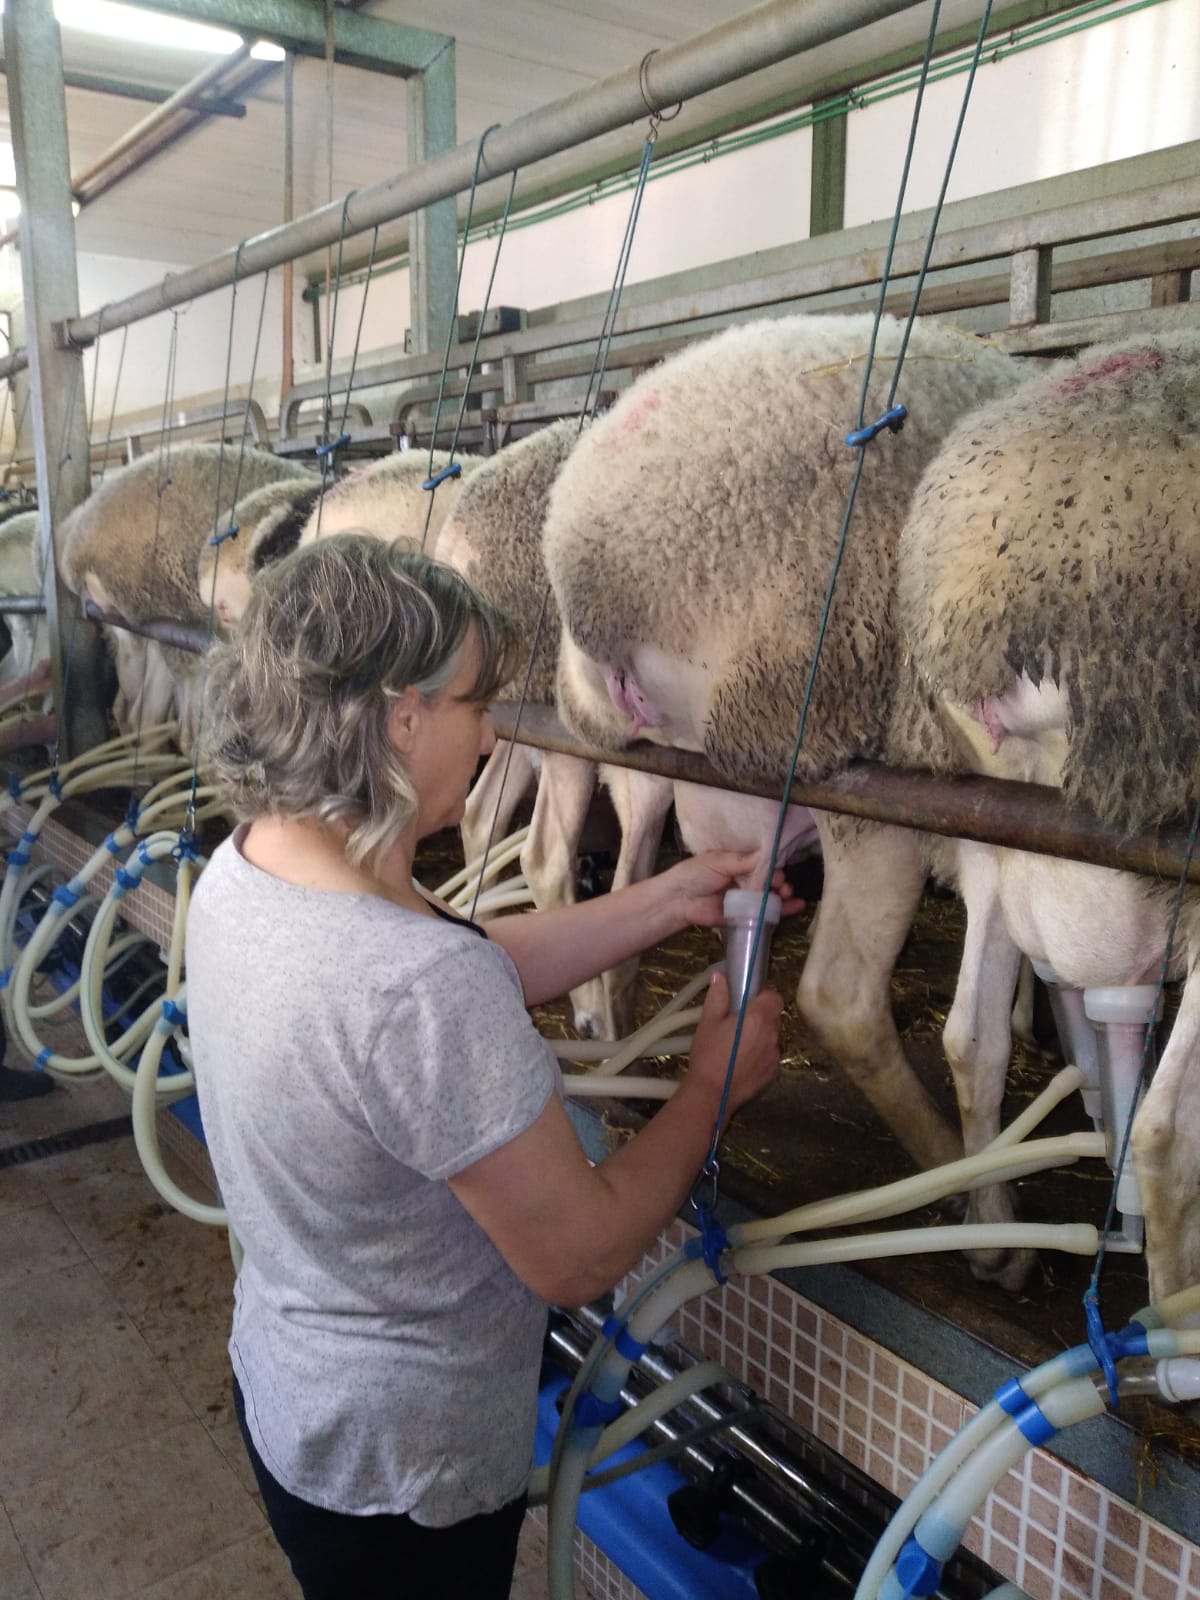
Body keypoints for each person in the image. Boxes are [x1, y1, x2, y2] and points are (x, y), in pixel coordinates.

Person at [186, 533, 784, 1600]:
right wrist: (711, 1087)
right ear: (401, 716)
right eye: (477, 700)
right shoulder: (414, 986)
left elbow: (444, 972)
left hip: (294, 1396)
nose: (494, 729)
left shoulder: (259, 859)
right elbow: (581, 1255)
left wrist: (660, 901)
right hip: (408, 1470)